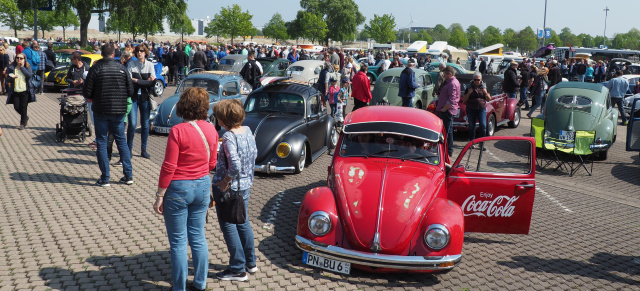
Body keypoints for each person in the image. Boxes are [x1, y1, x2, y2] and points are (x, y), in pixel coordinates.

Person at [153, 87, 217, 291]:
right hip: (203, 185)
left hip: (179, 188)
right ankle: (200, 283)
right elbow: (212, 163)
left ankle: (179, 287)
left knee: (179, 241)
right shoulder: (211, 129)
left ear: (183, 105)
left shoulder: (177, 131)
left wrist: (160, 194)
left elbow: (169, 166)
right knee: (198, 236)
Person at [212, 99, 258, 282]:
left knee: (229, 225)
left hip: (230, 189)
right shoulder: (247, 130)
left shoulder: (229, 136)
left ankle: (238, 268)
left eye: (218, 116)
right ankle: (250, 262)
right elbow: (254, 154)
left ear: (223, 119)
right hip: (245, 185)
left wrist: (225, 181)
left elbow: (235, 165)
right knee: (242, 221)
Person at [83, 43, 134, 187]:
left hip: (101, 110)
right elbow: (131, 91)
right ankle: (128, 175)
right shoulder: (122, 68)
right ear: (113, 54)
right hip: (118, 111)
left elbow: (87, 92)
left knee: (102, 141)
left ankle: (105, 178)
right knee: (121, 141)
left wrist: (97, 96)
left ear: (101, 54)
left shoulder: (96, 69)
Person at [127, 44, 156, 159]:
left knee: (145, 124)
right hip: (133, 98)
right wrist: (145, 81)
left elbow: (152, 83)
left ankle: (143, 150)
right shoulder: (131, 64)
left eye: (142, 51)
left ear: (146, 53)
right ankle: (129, 149)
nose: (140, 53)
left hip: (145, 97)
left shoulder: (150, 65)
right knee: (133, 124)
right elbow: (129, 81)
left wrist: (137, 80)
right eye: (138, 51)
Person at [5, 53, 36, 130]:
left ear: (24, 59)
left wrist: (22, 67)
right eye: (17, 58)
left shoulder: (27, 67)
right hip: (15, 90)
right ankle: (25, 117)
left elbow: (29, 75)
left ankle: (22, 123)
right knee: (16, 107)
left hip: (25, 90)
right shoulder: (12, 68)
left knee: (23, 107)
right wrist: (12, 78)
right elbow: (8, 79)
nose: (19, 59)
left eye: (21, 58)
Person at [435, 66, 460, 158]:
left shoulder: (452, 83)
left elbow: (452, 99)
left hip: (447, 110)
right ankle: (448, 150)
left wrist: (444, 109)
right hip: (446, 109)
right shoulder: (450, 82)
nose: (443, 76)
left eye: (445, 74)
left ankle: (448, 151)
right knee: (448, 131)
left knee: (447, 131)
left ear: (450, 74)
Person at [462, 72, 492, 142]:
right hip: (471, 108)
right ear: (473, 80)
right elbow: (464, 99)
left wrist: (485, 92)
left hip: (481, 108)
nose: (476, 81)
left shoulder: (484, 87)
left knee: (483, 125)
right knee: (472, 126)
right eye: (475, 80)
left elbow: (488, 99)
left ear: (481, 80)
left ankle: (482, 142)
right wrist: (469, 93)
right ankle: (472, 141)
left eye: (478, 80)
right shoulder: (469, 87)